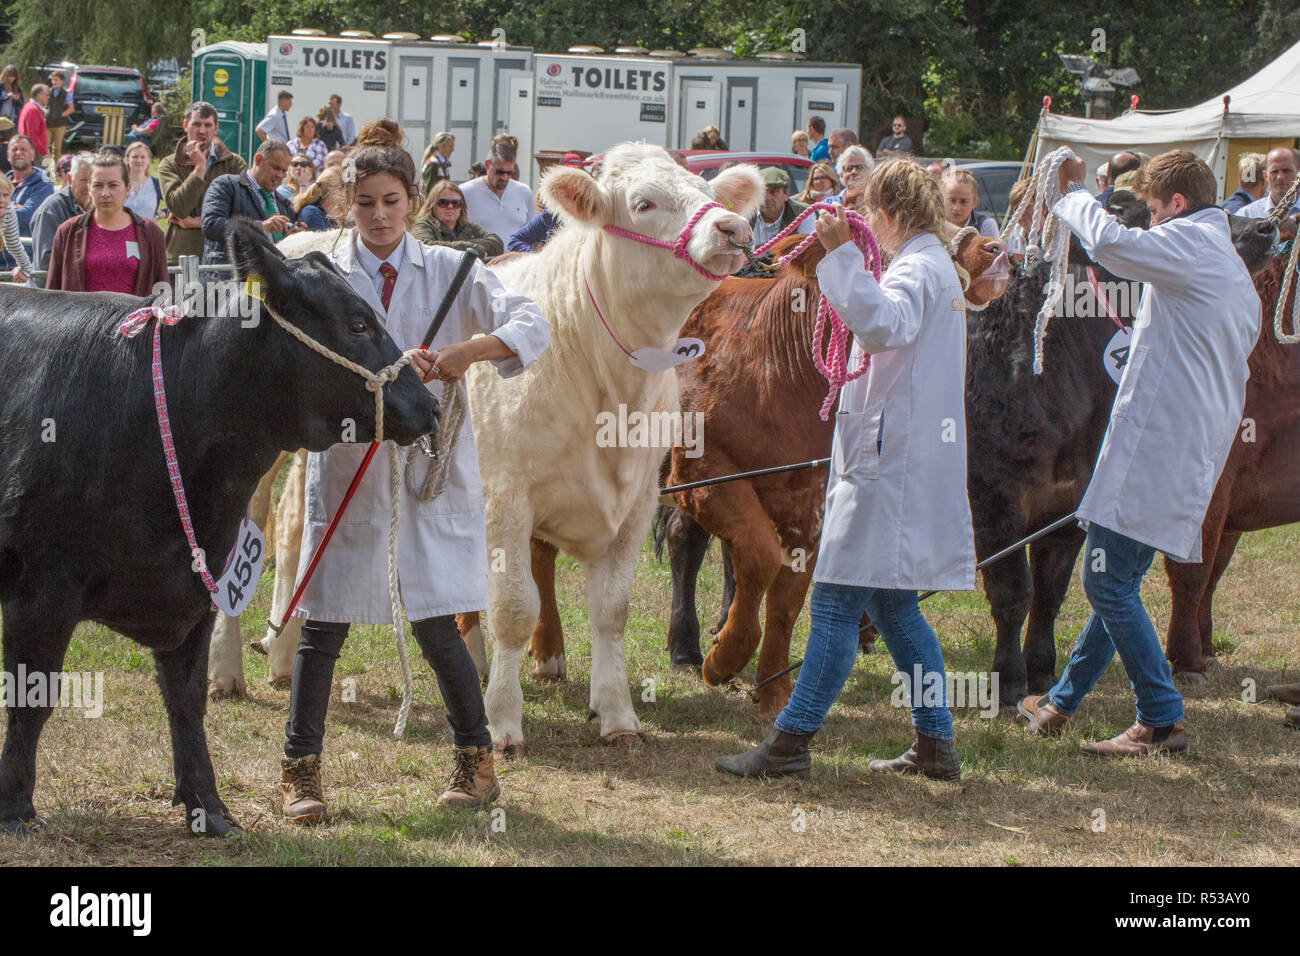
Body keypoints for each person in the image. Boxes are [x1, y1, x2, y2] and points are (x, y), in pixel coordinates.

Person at [277, 119, 550, 824]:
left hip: (428, 465)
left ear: (414, 202)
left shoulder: (455, 270)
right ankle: (299, 772)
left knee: (436, 617)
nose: (377, 215)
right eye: (363, 201)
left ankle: (476, 763)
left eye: (391, 200)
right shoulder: (323, 277)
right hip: (347, 460)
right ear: (342, 203)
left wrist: (471, 352)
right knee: (324, 620)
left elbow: (533, 323)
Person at [716, 159, 974, 782]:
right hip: (898, 458)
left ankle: (790, 743)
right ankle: (935, 744)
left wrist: (838, 257)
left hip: (891, 465)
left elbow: (884, 326)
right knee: (894, 609)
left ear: (888, 214)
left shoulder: (916, 267)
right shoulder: (933, 265)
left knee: (832, 605)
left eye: (867, 215)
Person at [1017, 149, 1261, 757]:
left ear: (1177, 206)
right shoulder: (1224, 262)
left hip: (1161, 447)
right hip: (1180, 448)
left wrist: (1067, 195)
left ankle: (1160, 716)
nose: (1147, 222)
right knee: (1117, 577)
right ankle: (1060, 703)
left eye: (1151, 211)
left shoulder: (1191, 247)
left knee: (1105, 583)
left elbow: (1113, 246)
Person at [45, 150, 168, 294]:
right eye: (98, 185)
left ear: (127, 188)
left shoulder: (151, 233)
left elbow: (162, 292)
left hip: (135, 316)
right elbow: (52, 292)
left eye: (113, 185)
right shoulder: (67, 232)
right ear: (89, 188)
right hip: (81, 316)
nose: (105, 193)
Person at [157, 100, 246, 263]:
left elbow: (244, 214)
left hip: (225, 259)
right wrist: (199, 167)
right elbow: (179, 208)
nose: (202, 131)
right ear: (185, 125)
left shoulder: (234, 164)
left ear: (216, 128)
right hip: (181, 257)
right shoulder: (169, 164)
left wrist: (196, 222)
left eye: (208, 125)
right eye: (196, 124)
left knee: (253, 288)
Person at [200, 139, 297, 264]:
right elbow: (211, 225)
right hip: (229, 278)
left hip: (260, 280)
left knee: (254, 284)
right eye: (276, 168)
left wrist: (291, 236)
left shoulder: (284, 204)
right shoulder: (226, 185)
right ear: (258, 160)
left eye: (284, 171)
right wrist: (260, 227)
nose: (280, 175)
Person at [30, 152, 91, 279]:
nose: (89, 187)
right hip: (51, 294)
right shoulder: (50, 211)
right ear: (69, 179)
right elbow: (46, 263)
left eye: (94, 181)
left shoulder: (99, 208)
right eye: (84, 180)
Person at [459, 141, 534, 244]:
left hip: (517, 259)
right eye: (500, 172)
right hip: (480, 258)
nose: (504, 177)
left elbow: (533, 235)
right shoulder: (465, 192)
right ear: (487, 165)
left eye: (509, 173)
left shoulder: (525, 192)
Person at [411, 178, 503, 260]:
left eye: (456, 203)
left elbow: (497, 243)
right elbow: (424, 247)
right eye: (443, 202)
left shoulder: (467, 226)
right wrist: (472, 249)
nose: (450, 207)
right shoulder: (423, 225)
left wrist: (467, 247)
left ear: (461, 207)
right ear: (432, 205)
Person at [4, 134, 53, 272]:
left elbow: (27, 217)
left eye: (23, 150)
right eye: (14, 150)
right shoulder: (3, 182)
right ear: (8, 155)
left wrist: (5, 210)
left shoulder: (43, 184)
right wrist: (15, 208)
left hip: (24, 267)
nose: (19, 153)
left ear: (32, 155)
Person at [750, 167, 812, 246]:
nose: (767, 198)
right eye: (763, 192)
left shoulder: (803, 213)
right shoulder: (746, 214)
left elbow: (807, 248)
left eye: (774, 192)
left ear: (786, 194)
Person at [1237, 146, 1300, 219]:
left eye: (1286, 171)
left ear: (1298, 174)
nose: (1280, 177)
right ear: (1265, 176)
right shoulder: (1247, 215)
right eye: (1274, 171)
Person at [941, 167, 999, 238]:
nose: (956, 208)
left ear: (975, 202)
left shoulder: (985, 225)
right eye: (951, 200)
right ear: (941, 199)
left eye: (963, 202)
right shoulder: (932, 224)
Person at [0, 175, 35, 282]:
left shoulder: (8, 211)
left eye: (5, 195)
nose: (1, 200)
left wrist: (25, 269)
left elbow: (13, 243)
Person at [292, 166, 343, 231]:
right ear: (329, 187)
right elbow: (320, 240)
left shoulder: (335, 213)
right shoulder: (311, 212)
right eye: (344, 187)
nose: (349, 192)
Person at [123, 141, 161, 220]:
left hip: (147, 231)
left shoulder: (156, 184)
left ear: (148, 160)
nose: (139, 160)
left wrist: (159, 215)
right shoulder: (119, 183)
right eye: (135, 157)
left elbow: (175, 204)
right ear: (127, 159)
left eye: (143, 157)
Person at [45, 72, 74, 159]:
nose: (54, 82)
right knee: (45, 147)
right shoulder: (47, 92)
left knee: (57, 148)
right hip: (47, 123)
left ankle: (57, 168)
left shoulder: (66, 94)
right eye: (53, 80)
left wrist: (61, 114)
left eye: (56, 80)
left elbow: (71, 108)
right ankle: (45, 167)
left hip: (60, 125)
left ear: (62, 81)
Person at [18, 85, 50, 160]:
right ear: (38, 95)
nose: (48, 97)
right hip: (34, 152)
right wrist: (43, 152)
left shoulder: (29, 106)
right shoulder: (33, 110)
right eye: (46, 95)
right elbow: (32, 134)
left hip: (31, 149)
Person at [419, 131, 455, 196]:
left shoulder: (443, 164)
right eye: (450, 146)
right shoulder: (433, 164)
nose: (453, 149)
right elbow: (428, 191)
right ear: (441, 146)